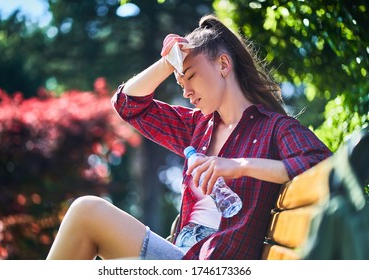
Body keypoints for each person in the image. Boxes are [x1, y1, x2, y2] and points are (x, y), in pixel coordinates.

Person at [46, 14, 332, 260]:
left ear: (223, 65)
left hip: (213, 262)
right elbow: (128, 105)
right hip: (182, 254)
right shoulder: (198, 128)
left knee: (87, 211)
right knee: (85, 214)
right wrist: (168, 63)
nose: (186, 92)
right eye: (179, 82)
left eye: (191, 76)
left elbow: (324, 167)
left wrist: (240, 166)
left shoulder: (275, 128)